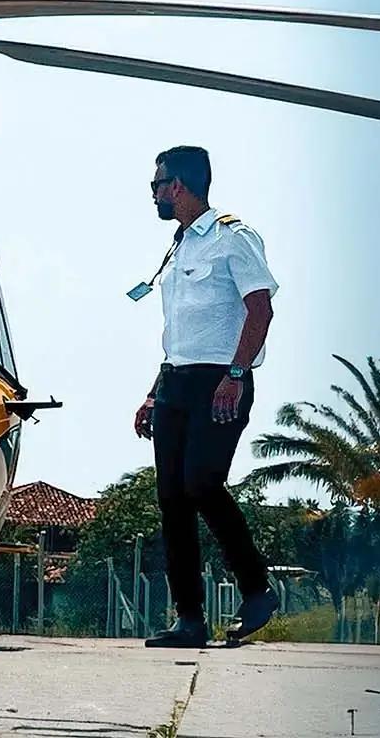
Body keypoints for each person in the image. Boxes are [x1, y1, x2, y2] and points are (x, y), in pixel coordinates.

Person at [133, 146, 280, 647]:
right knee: (172, 499)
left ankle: (257, 588)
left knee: (201, 482)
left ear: (178, 186)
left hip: (221, 381)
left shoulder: (232, 237)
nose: (152, 193)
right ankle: (189, 619)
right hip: (175, 381)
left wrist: (236, 374)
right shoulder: (177, 248)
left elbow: (259, 311)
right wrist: (154, 393)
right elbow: (180, 332)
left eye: (157, 184)